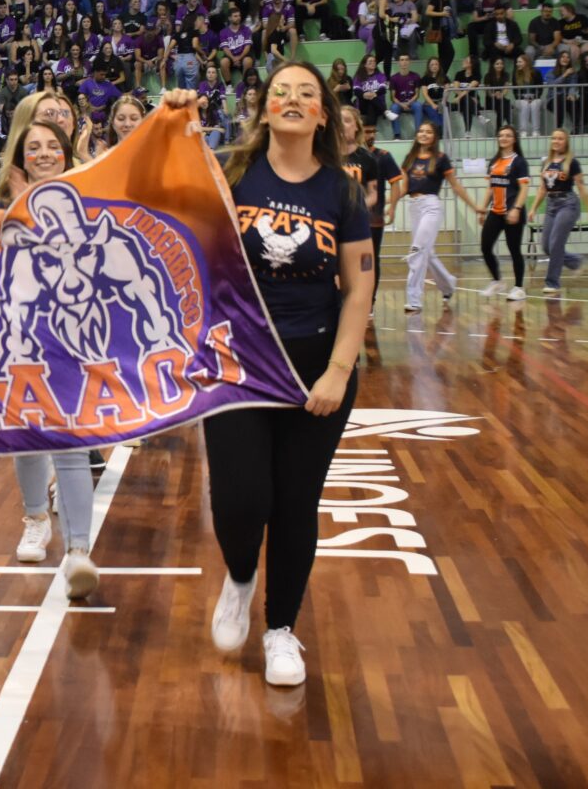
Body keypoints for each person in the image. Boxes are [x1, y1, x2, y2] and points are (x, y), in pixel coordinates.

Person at [160, 61, 370, 687]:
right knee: (240, 499)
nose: (293, 99)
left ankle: (281, 630)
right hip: (238, 364)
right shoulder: (233, 174)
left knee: (296, 502)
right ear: (264, 108)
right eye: (282, 91)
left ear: (323, 114)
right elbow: (168, 193)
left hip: (315, 370)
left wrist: (338, 371)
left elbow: (359, 288)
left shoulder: (343, 192)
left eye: (307, 92)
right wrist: (174, 121)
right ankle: (240, 575)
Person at [0, 117, 99, 595]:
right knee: (27, 437)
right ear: (20, 158)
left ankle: (78, 551)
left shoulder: (89, 199)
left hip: (73, 338)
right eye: (34, 147)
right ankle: (36, 519)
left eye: (54, 146)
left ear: (67, 154)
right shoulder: (0, 207)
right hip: (21, 340)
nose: (45, 153)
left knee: (71, 442)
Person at [387, 121, 482, 312]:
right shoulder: (409, 158)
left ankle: (414, 299)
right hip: (414, 207)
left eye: (428, 132)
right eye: (421, 131)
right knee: (427, 253)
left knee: (417, 251)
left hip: (431, 206)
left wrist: (475, 207)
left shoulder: (440, 158)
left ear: (434, 136)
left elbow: (455, 186)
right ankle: (448, 285)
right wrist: (388, 204)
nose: (424, 134)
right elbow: (404, 189)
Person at [530, 129, 588, 295]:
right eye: (554, 138)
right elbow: (542, 189)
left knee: (556, 244)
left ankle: (552, 283)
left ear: (566, 142)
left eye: (560, 138)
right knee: (547, 246)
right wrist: (533, 208)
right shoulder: (546, 162)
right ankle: (574, 261)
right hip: (551, 204)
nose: (556, 141)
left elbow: (581, 187)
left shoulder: (572, 162)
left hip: (568, 204)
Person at [477, 125, 529, 301]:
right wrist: (483, 209)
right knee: (485, 247)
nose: (504, 138)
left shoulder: (519, 162)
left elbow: (524, 189)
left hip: (512, 212)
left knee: (514, 250)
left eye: (508, 135)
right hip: (495, 212)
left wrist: (517, 209)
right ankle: (497, 280)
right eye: (501, 135)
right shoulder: (494, 161)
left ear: (514, 139)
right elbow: (490, 188)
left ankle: (519, 287)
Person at [358, 117, 401, 311]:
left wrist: (392, 207)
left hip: (373, 218)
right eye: (367, 131)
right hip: (348, 216)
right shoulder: (347, 155)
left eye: (373, 131)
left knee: (371, 258)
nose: (371, 135)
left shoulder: (383, 156)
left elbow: (395, 182)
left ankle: (370, 300)